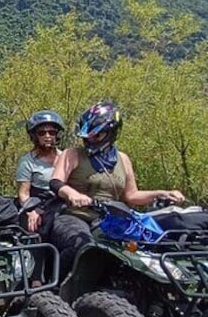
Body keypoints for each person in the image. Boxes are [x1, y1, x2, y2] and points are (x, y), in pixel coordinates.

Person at [48, 100, 185, 277]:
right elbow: (56, 182)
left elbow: (132, 196)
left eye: (95, 135)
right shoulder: (72, 154)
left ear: (110, 133)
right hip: (76, 216)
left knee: (150, 246)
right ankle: (58, 286)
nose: (88, 139)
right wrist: (71, 193)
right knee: (83, 245)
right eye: (86, 136)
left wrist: (161, 193)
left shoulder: (123, 159)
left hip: (111, 220)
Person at [15, 109, 65, 286]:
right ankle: (35, 278)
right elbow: (23, 192)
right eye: (42, 132)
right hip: (36, 202)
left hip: (61, 202)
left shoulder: (65, 157)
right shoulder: (28, 161)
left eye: (52, 132)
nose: (47, 136)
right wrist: (30, 211)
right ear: (35, 136)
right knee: (36, 230)